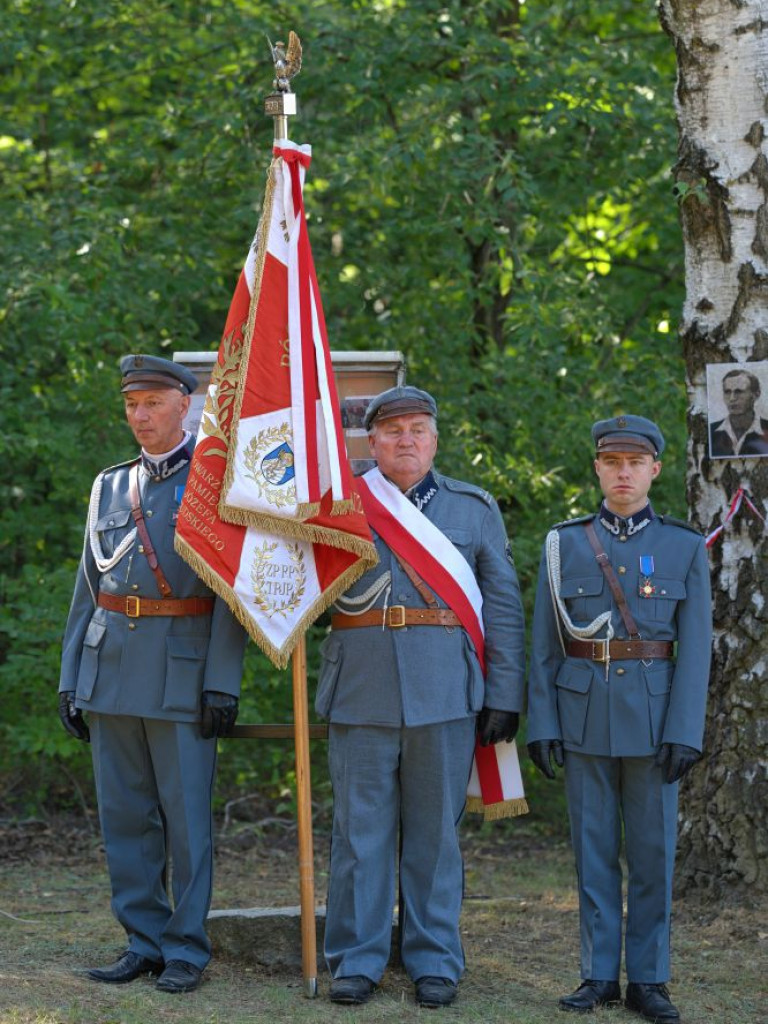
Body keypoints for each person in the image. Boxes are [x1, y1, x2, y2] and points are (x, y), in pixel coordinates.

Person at [315, 385, 526, 1008]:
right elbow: (300, 591)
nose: (406, 440)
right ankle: (356, 959)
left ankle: (434, 959)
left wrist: (504, 693)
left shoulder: (473, 507)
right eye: (393, 430)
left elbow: (503, 606)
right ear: (372, 441)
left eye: (417, 430)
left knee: (435, 837)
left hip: (446, 692)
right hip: (360, 689)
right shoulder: (340, 506)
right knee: (359, 834)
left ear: (435, 441)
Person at [58, 354, 247, 994]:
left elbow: (231, 591)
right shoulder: (110, 486)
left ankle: (186, 947)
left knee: (187, 821)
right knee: (125, 818)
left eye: (153, 403)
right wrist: (70, 677)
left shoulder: (215, 484)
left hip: (181, 674)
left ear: (183, 407)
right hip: (110, 668)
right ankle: (143, 941)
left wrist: (222, 680)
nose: (140, 416)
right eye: (132, 405)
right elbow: (88, 589)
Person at [527, 415, 712, 1023]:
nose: (623, 473)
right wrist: (543, 722)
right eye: (612, 462)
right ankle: (599, 974)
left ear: (655, 469)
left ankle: (649, 980)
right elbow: (545, 644)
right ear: (598, 468)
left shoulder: (683, 546)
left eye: (635, 463)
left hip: (656, 723)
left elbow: (696, 649)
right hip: (582, 715)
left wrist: (685, 730)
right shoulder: (565, 545)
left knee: (653, 855)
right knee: (593, 851)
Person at [709, 368, 768, 457]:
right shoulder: (710, 431)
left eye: (739, 392)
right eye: (727, 392)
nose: (732, 398)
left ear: (756, 395)